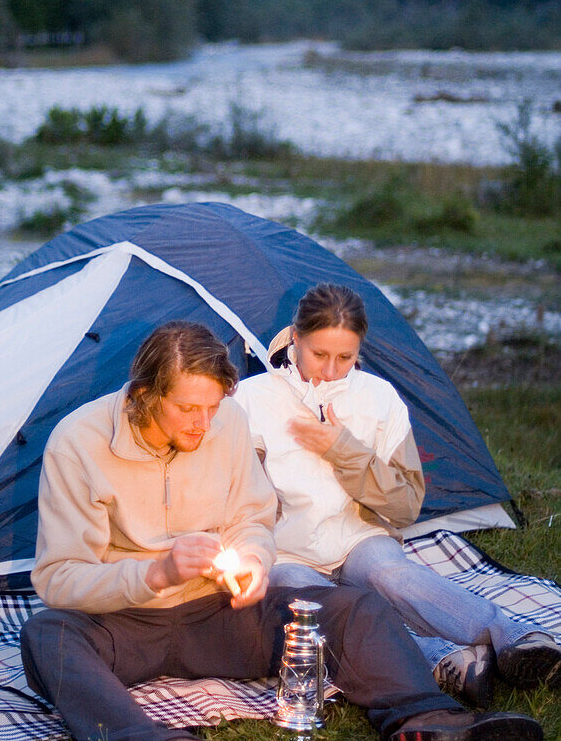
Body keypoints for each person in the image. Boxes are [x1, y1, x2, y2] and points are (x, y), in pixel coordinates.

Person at [20, 319, 541, 741]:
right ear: (142, 394)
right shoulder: (79, 443)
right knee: (49, 635)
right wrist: (156, 572)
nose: (203, 424)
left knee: (349, 607)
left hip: (219, 612)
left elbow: (253, 516)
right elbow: (60, 580)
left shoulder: (226, 422)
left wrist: (250, 559)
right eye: (187, 409)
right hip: (124, 621)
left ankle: (426, 720)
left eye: (211, 407)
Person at [235, 283, 561, 710]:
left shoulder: (379, 398)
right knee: (327, 604)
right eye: (320, 355)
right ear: (295, 338)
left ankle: (517, 640)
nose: (331, 371)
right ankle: (449, 660)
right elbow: (241, 500)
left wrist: (343, 450)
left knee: (392, 576)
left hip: (359, 537)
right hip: (285, 553)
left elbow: (405, 505)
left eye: (346, 358)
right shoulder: (252, 400)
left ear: (359, 350)